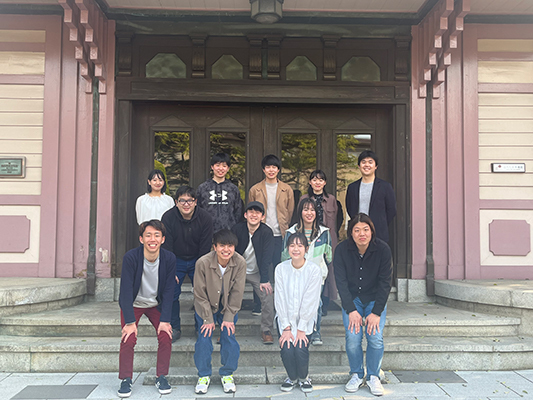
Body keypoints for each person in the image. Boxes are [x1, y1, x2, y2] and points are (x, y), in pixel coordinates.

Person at [334, 213, 393, 397]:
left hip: (374, 298)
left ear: (371, 231)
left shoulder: (383, 250)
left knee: (375, 337)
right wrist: (351, 309)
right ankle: (357, 374)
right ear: (351, 233)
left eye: (366, 230)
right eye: (357, 230)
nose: (362, 234)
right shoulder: (342, 250)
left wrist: (376, 312)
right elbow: (340, 282)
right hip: (353, 299)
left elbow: (385, 283)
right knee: (353, 337)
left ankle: (373, 375)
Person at [117, 220, 175, 398]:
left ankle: (161, 376)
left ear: (163, 239)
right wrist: (129, 322)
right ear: (141, 239)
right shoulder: (131, 257)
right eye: (148, 235)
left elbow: (169, 291)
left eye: (157, 235)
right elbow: (125, 291)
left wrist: (165, 320)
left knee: (166, 335)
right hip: (133, 303)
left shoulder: (169, 258)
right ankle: (126, 379)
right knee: (128, 338)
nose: (152, 239)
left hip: (155, 304)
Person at [193, 229, 246, 395]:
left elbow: (238, 292)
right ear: (214, 247)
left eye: (230, 246)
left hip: (227, 306)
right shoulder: (202, 262)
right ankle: (203, 375)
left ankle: (227, 374)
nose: (226, 250)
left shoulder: (240, 262)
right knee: (204, 337)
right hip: (206, 306)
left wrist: (229, 317)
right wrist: (208, 318)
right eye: (222, 245)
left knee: (228, 336)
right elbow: (199, 294)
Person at [161, 186, 213, 342]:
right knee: (171, 291)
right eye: (182, 201)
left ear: (195, 202)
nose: (186, 204)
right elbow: (167, 247)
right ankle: (175, 328)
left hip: (198, 258)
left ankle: (200, 327)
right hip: (175, 259)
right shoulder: (168, 217)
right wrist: (171, 270)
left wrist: (202, 270)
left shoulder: (205, 218)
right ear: (176, 202)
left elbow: (205, 247)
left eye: (189, 200)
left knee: (201, 293)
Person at [275, 232, 322, 393]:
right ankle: (292, 378)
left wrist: (301, 328)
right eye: (292, 245)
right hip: (285, 318)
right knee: (287, 348)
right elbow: (279, 298)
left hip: (306, 320)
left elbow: (311, 300)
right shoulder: (280, 269)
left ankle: (303, 378)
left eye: (300, 245)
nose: (296, 249)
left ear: (306, 249)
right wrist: (286, 327)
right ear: (287, 248)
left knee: (300, 348)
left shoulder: (314, 270)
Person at [281, 198, 332, 345]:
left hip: (317, 275)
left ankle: (316, 332)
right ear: (300, 212)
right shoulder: (291, 232)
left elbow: (329, 256)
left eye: (312, 210)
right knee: (297, 302)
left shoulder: (324, 233)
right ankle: (296, 329)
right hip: (295, 274)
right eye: (305, 209)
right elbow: (284, 256)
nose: (309, 213)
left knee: (316, 304)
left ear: (316, 212)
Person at [249, 154, 294, 314]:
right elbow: (252, 211)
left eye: (274, 167)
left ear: (278, 169)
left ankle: (280, 303)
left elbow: (290, 211)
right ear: (263, 169)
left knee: (279, 268)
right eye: (268, 167)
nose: (271, 170)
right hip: (260, 234)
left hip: (279, 235)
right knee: (259, 268)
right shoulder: (255, 189)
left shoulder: (286, 189)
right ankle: (259, 304)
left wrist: (284, 225)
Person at [232, 201, 275, 345]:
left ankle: (266, 330)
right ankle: (227, 329)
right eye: (251, 212)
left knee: (267, 295)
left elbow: (267, 257)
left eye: (257, 212)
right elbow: (230, 252)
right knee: (227, 294)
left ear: (262, 217)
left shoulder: (266, 232)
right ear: (245, 215)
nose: (254, 215)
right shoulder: (237, 229)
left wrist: (264, 279)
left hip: (257, 272)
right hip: (237, 270)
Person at [299, 169, 339, 317]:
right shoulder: (304, 198)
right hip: (309, 237)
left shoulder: (331, 199)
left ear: (325, 182)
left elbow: (337, 219)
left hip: (327, 237)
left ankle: (325, 302)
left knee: (328, 268)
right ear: (310, 182)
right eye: (314, 180)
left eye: (321, 180)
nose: (317, 182)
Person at [345, 150, 396, 243]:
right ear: (359, 166)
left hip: (379, 232)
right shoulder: (352, 187)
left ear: (376, 166)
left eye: (370, 162)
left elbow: (391, 210)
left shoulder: (385, 186)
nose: (367, 165)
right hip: (358, 233)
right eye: (363, 162)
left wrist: (380, 222)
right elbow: (350, 208)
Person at [197, 153, 243, 232]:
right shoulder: (203, 188)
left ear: (228, 168)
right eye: (217, 165)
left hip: (228, 232)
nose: (221, 168)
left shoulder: (233, 189)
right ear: (212, 167)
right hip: (206, 231)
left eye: (224, 166)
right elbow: (198, 209)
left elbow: (238, 211)